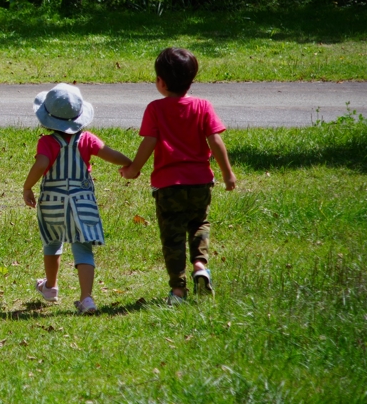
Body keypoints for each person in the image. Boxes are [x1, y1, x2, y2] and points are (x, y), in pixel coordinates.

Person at [120, 47, 238, 305]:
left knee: (172, 238)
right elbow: (215, 140)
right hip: (200, 182)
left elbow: (148, 143)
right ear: (191, 80)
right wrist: (228, 173)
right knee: (199, 223)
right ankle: (200, 265)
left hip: (168, 185)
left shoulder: (155, 109)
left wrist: (133, 169)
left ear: (161, 82)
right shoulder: (202, 106)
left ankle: (178, 291)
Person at [22, 83, 132, 315]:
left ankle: (51, 287)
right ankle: (86, 298)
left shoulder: (47, 142)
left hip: (52, 201)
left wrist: (27, 187)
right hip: (83, 201)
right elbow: (109, 152)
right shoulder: (87, 140)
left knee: (52, 242)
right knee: (82, 247)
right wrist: (128, 163)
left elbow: (42, 163)